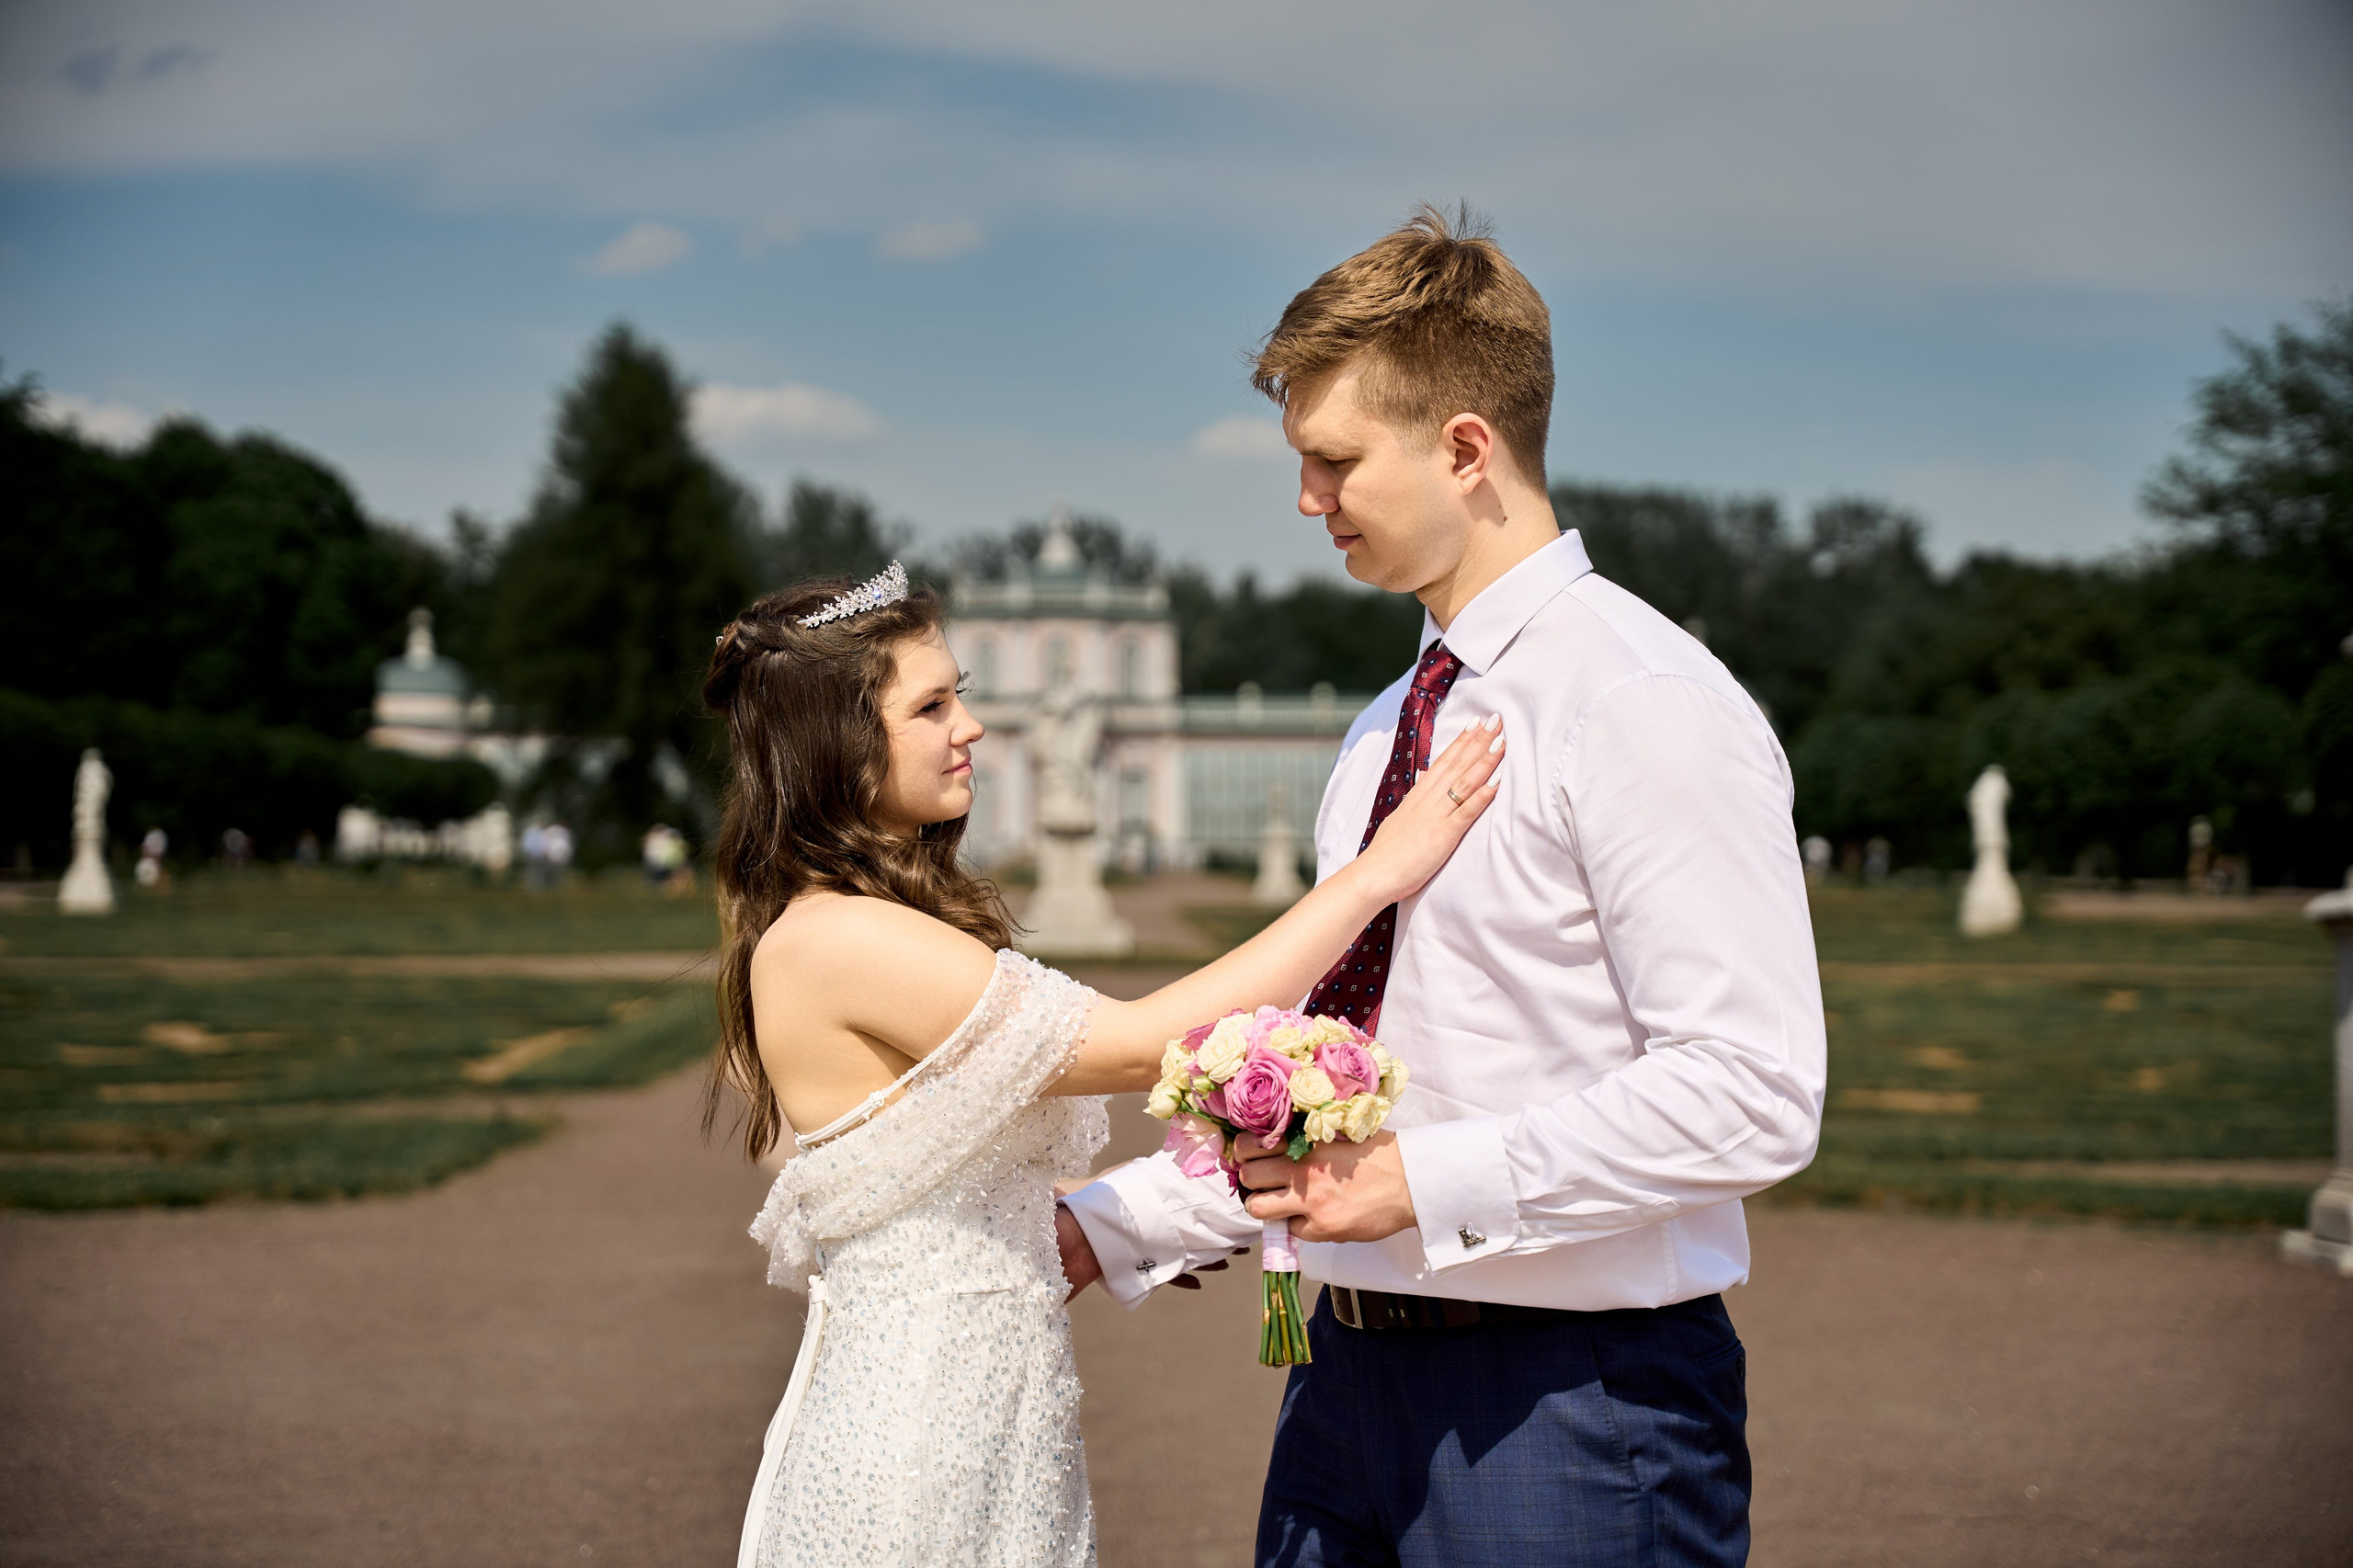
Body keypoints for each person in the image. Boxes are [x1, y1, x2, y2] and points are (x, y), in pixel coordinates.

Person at [1057, 206, 1826, 1567]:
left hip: (1570, 1406)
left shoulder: (1640, 701)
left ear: (1465, 447)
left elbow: (1754, 1090)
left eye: (1334, 459)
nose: (1308, 500)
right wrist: (1108, 1226)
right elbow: (1339, 1066)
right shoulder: (1379, 733)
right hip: (1337, 1384)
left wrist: (1428, 1180)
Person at [705, 562, 1505, 1568]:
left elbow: (937, 1165)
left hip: (980, 1405)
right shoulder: (841, 934)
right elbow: (1136, 1045)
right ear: (841, 744)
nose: (974, 724)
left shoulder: (853, 922)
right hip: (917, 1433)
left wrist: (1130, 1210)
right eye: (934, 703)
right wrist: (1374, 875)